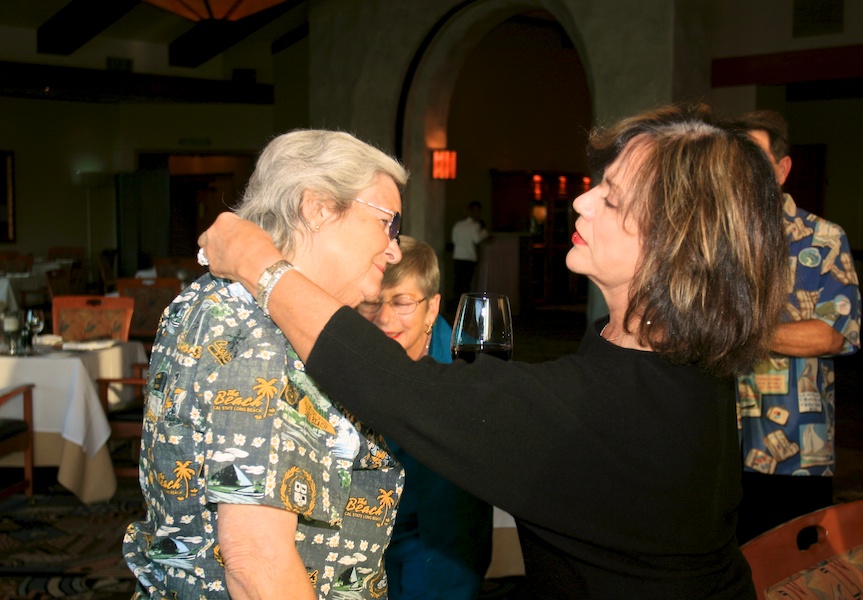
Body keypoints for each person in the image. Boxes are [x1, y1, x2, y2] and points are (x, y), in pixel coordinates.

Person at [198, 103, 789, 598]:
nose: (582, 203)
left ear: (674, 242)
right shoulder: (677, 361)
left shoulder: (620, 406)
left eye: (611, 199)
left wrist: (258, 263)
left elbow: (398, 389)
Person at [122, 129, 410, 599]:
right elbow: (257, 563)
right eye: (387, 223)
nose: (395, 248)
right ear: (317, 208)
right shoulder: (266, 337)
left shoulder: (212, 300)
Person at [729, 110, 862, 543]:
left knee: (791, 567)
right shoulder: (713, 242)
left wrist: (738, 332)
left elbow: (832, 334)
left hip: (794, 452)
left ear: (782, 169)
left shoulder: (823, 239)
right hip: (715, 447)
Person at [357, 235, 493, 600]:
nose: (384, 317)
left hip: (441, 554)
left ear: (432, 309)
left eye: (402, 302)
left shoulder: (464, 377)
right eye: (372, 302)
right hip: (366, 548)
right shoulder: (352, 359)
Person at [450, 201, 489, 311]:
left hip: (457, 256)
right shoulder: (475, 226)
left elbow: (454, 239)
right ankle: (466, 308)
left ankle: (457, 307)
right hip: (469, 257)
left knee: (458, 283)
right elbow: (476, 239)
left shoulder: (458, 225)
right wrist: (484, 232)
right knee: (467, 284)